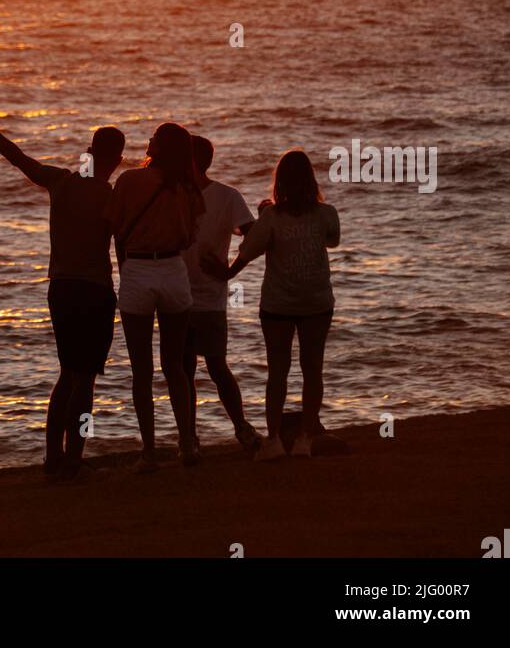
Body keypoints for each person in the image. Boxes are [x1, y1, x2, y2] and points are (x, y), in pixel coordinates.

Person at [0, 107, 124, 482]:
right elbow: (124, 245)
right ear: (117, 160)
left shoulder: (61, 181)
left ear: (88, 150)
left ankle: (53, 457)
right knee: (85, 380)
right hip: (96, 291)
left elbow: (20, 160)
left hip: (61, 287)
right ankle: (73, 460)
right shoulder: (113, 197)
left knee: (67, 374)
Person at [202, 148, 340, 461]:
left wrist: (224, 274)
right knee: (312, 369)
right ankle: (306, 437)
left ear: (279, 182)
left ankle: (275, 439)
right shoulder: (326, 213)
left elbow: (248, 253)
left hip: (278, 303)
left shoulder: (271, 218)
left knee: (278, 371)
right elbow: (332, 240)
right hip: (317, 301)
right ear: (310, 179)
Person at [105, 122, 205, 470]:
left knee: (142, 369)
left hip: (139, 270)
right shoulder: (188, 187)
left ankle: (148, 451)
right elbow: (191, 235)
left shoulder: (129, 181)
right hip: (174, 271)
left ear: (160, 147)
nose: (147, 141)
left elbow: (114, 225)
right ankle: (187, 444)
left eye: (153, 137)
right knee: (175, 366)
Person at [182, 135, 259, 456]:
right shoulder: (176, 194)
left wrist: (230, 272)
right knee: (186, 370)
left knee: (214, 367)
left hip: (208, 296)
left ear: (193, 163)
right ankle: (191, 439)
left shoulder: (226, 196)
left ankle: (238, 428)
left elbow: (253, 235)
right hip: (178, 295)